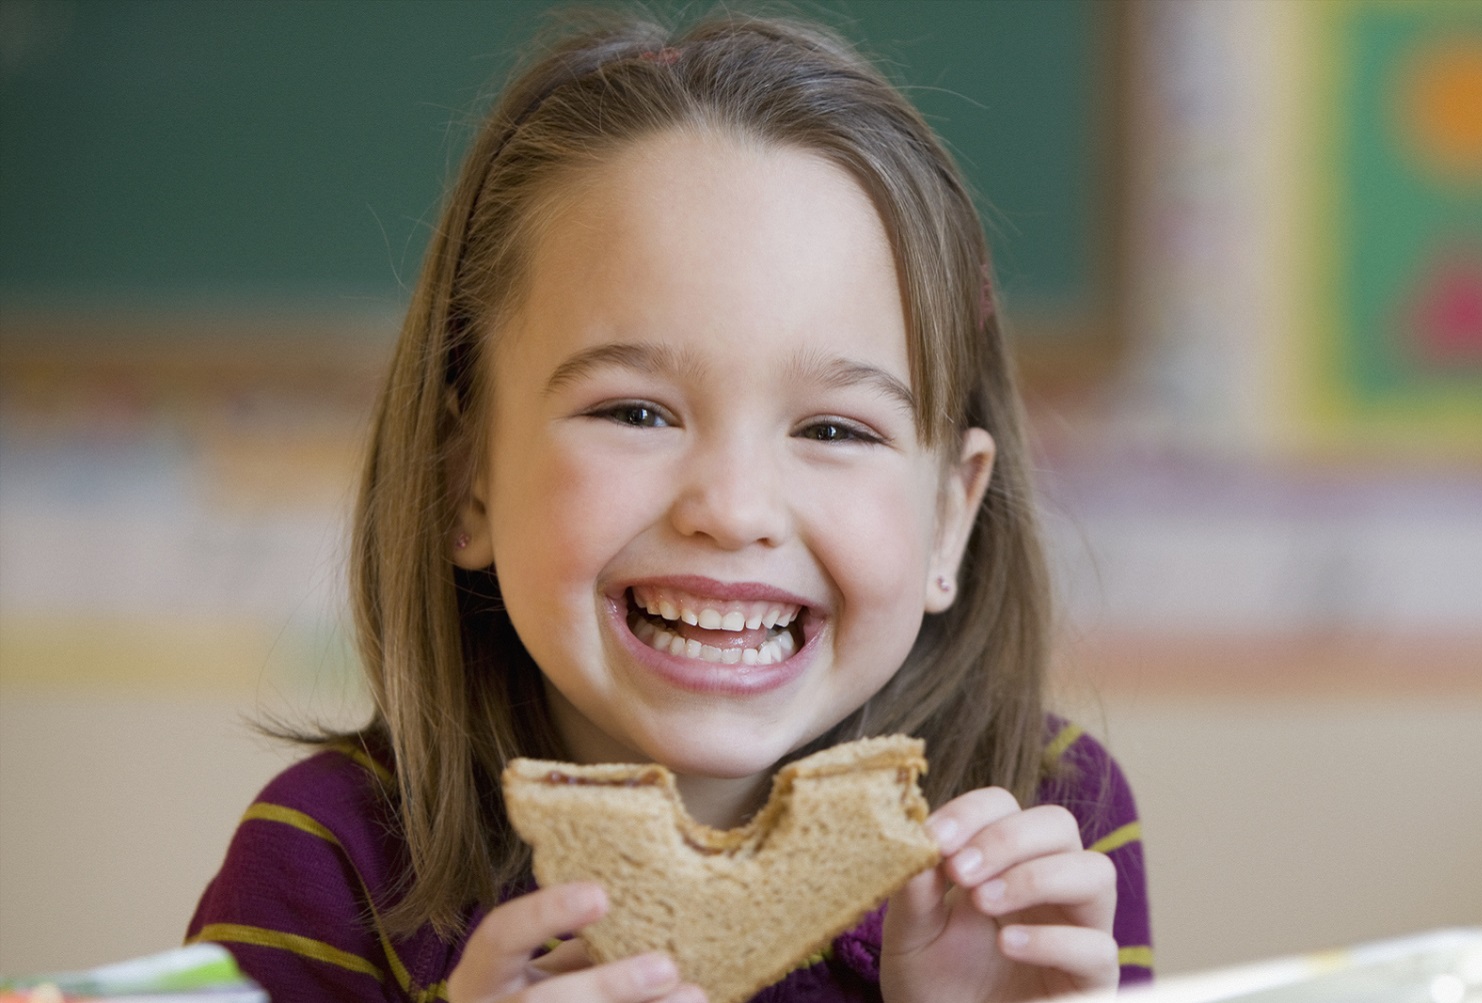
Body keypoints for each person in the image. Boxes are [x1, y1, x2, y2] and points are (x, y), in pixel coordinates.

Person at [186, 11, 1150, 1003]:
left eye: (833, 430)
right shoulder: (328, 863)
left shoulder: (1040, 829)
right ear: (463, 476)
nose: (731, 510)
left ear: (950, 516)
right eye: (636, 411)